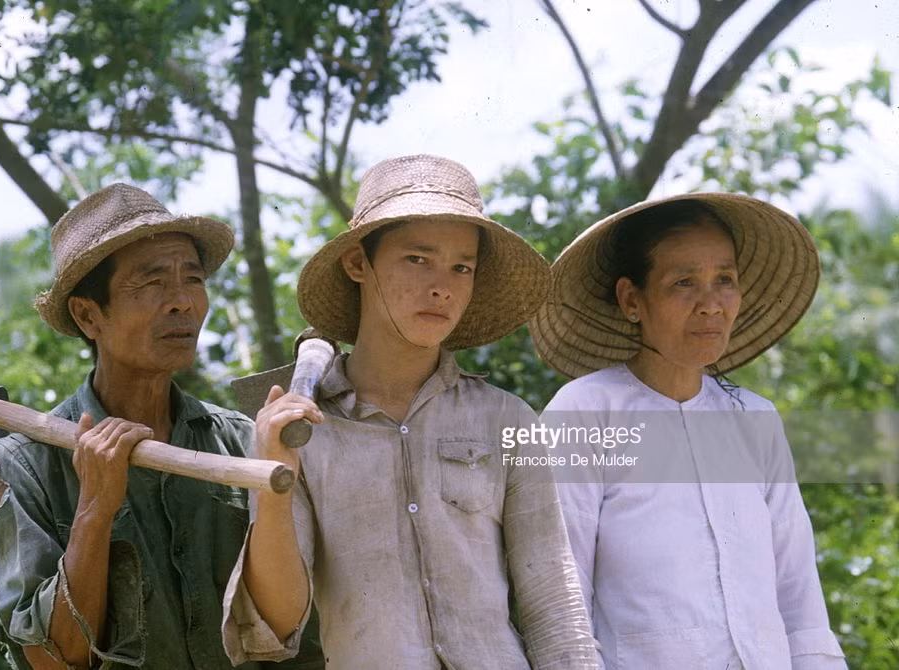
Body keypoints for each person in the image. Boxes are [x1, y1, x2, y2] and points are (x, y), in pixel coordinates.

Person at [221, 154, 599, 669]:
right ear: (358, 263)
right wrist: (273, 482)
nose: (442, 285)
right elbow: (275, 627)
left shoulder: (506, 419)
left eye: (461, 267)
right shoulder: (297, 430)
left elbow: (553, 601)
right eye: (417, 259)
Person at [0, 183, 322, 669]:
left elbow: (283, 628)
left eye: (193, 279)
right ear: (88, 314)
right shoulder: (21, 467)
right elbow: (54, 660)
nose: (182, 302)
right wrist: (95, 507)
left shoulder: (240, 443)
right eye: (152, 282)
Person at [529, 194, 848, 669]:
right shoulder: (583, 414)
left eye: (725, 279)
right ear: (631, 299)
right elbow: (559, 593)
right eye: (684, 282)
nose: (711, 304)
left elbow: (798, 597)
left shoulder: (754, 419)